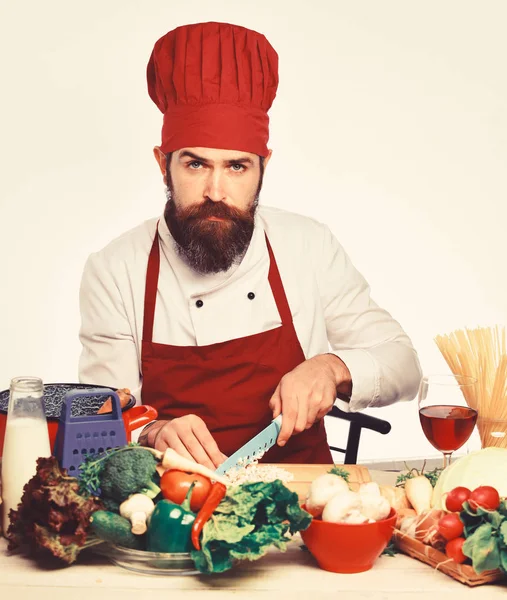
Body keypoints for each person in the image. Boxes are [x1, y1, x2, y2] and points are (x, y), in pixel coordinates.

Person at [78, 22, 422, 470]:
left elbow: (404, 364)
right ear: (163, 163)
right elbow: (99, 426)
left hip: (305, 496)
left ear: (263, 167)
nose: (216, 191)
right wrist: (151, 431)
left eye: (237, 167)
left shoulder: (307, 246)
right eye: (196, 164)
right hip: (173, 504)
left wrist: (331, 368)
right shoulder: (115, 269)